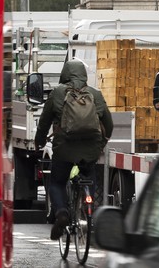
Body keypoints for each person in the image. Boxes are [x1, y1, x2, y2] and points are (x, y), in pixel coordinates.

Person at [34, 59, 114, 240]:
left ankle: (62, 212)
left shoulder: (57, 93)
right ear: (84, 75)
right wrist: (101, 144)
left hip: (64, 149)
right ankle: (87, 204)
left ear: (65, 74)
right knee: (89, 175)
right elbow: (108, 124)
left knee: (57, 182)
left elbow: (44, 123)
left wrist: (39, 142)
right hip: (90, 149)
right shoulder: (95, 94)